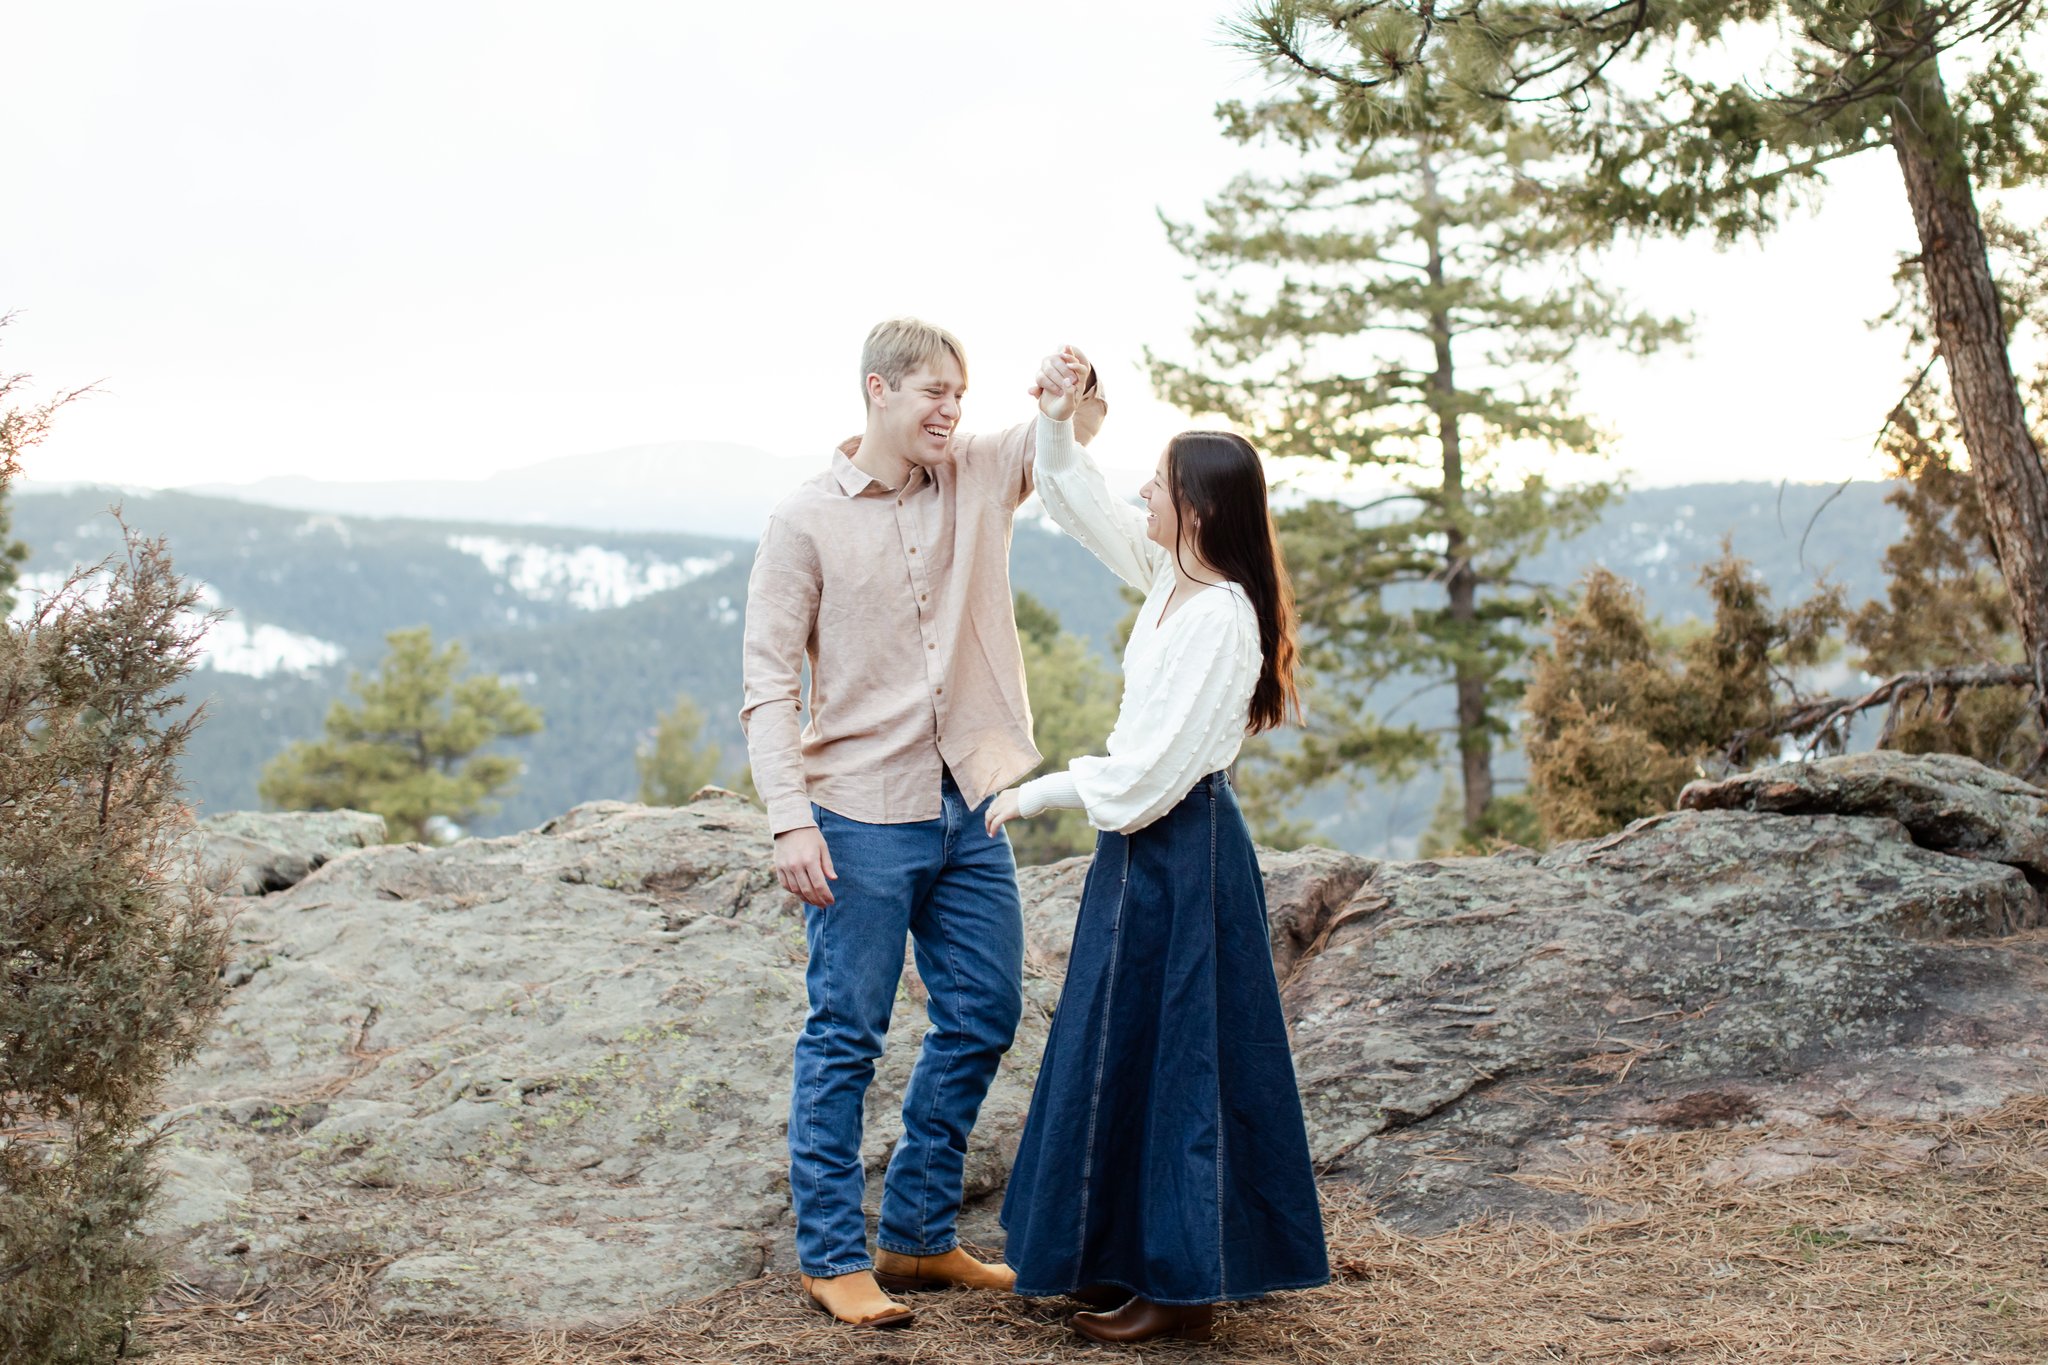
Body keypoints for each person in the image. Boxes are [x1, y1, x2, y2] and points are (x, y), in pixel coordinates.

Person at [740, 320, 1105, 1329]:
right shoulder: (802, 521)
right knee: (844, 1037)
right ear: (876, 391)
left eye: (960, 393)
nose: (951, 409)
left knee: (984, 1012)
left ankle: (914, 1233)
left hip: (971, 800)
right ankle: (830, 1255)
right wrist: (787, 823)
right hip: (857, 812)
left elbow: (1060, 439)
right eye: (933, 394)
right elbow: (768, 687)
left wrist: (1072, 385)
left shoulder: (981, 472)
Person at [986, 348, 1330, 1345]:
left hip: (1178, 850)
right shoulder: (1170, 580)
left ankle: (1181, 1293)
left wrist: (1040, 791)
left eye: (1162, 483)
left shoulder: (1221, 619)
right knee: (1121, 1048)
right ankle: (1122, 1258)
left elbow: (1148, 777)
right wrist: (1055, 416)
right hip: (1142, 854)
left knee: (1181, 1058)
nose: (1143, 487)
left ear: (1200, 511)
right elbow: (1076, 500)